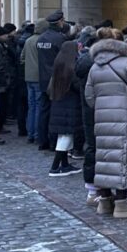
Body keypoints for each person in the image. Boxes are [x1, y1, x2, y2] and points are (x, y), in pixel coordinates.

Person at [85, 28, 127, 219]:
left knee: (105, 157)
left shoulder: (95, 67)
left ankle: (104, 200)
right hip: (125, 115)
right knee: (124, 156)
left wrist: (101, 107)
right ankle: (122, 203)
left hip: (102, 116)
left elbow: (89, 96)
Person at [46, 39, 83, 177]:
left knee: (64, 136)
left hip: (59, 104)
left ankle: (65, 164)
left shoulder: (58, 65)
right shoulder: (71, 68)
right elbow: (77, 86)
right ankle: (55, 167)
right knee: (66, 137)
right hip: (70, 106)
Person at [36, 12, 69, 149]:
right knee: (56, 112)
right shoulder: (60, 39)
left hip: (43, 79)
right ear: (60, 22)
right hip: (56, 79)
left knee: (44, 110)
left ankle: (42, 140)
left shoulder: (41, 38)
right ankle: (53, 142)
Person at [75, 28, 99, 200]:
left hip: (88, 111)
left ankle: (92, 190)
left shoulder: (82, 62)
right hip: (104, 112)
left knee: (92, 148)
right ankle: (107, 193)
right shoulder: (100, 64)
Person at [22, 19, 47, 144]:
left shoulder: (28, 40)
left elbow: (22, 58)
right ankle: (37, 134)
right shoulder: (42, 40)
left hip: (28, 77)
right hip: (38, 77)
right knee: (38, 106)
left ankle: (30, 133)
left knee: (31, 106)